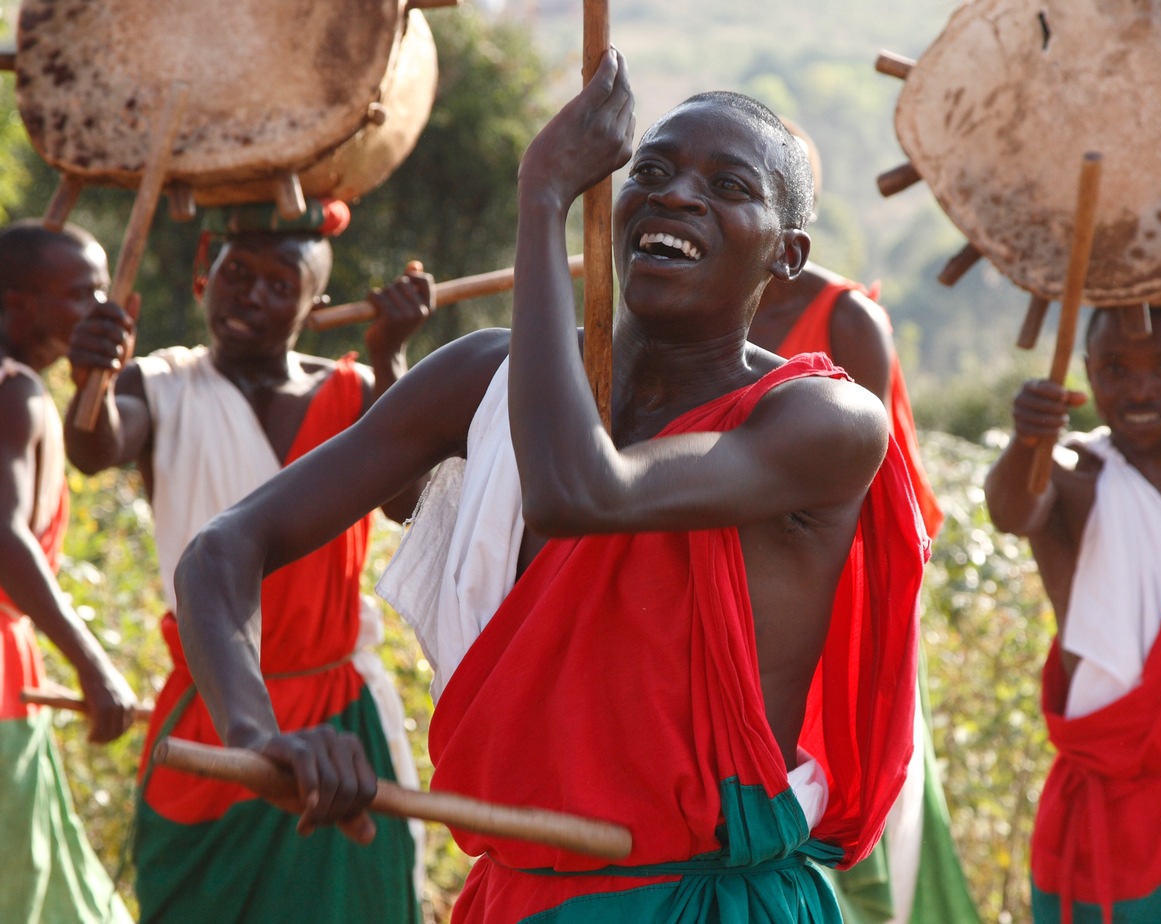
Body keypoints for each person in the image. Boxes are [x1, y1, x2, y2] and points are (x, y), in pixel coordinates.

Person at [169, 49, 928, 923]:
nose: (679, 194)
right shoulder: (480, 378)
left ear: (787, 255)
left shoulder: (822, 422)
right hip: (513, 899)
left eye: (728, 185)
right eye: (652, 169)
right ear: (615, 198)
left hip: (703, 900)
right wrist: (258, 739)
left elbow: (580, 495)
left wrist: (541, 201)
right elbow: (225, 549)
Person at [64, 200, 432, 923]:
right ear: (204, 276)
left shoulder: (356, 393)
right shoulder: (158, 384)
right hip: (214, 709)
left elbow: (403, 499)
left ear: (316, 303)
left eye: (278, 282)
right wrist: (91, 379)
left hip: (337, 719)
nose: (251, 296)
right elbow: (95, 446)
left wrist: (390, 354)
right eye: (237, 274)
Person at [749, 127, 979, 924]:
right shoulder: (689, 315)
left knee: (840, 812)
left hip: (827, 611)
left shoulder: (847, 321)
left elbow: (879, 510)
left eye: (741, 189)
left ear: (791, 221)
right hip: (732, 620)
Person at [984, 303, 1161, 922]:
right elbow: (1010, 512)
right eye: (1114, 368)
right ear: (1085, 373)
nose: (1140, 389)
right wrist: (1030, 437)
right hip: (1097, 815)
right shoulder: (1073, 477)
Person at [0, 219, 137, 924]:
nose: (102, 309)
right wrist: (91, 662)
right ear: (18, 304)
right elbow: (4, 536)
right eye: (81, 294)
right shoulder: (14, 393)